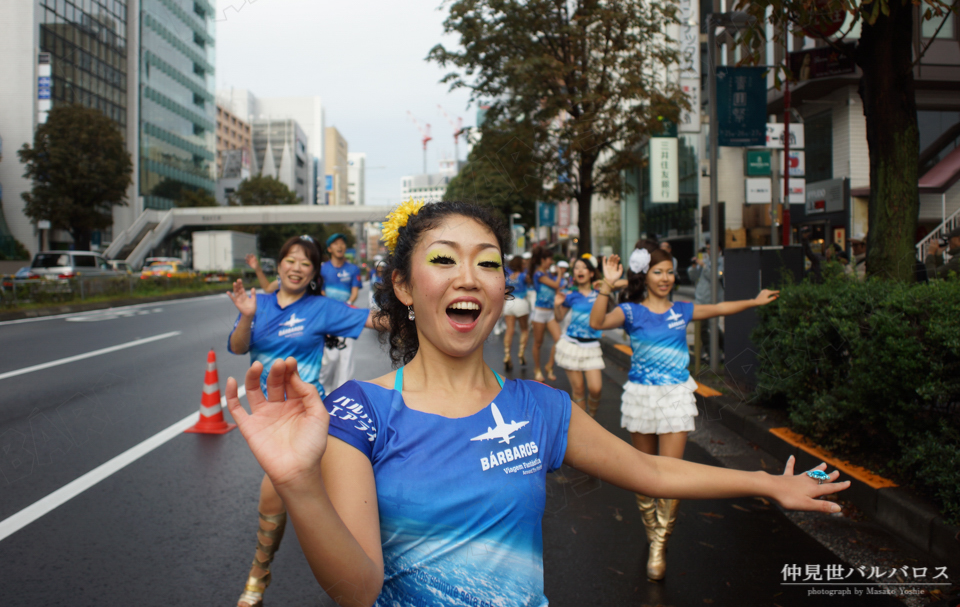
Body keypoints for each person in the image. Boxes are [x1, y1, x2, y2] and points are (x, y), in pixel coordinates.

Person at [224, 200, 849, 607]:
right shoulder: (358, 412)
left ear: (502, 291)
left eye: (488, 263)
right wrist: (299, 484)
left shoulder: (540, 410)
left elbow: (655, 471)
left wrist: (767, 484)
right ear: (405, 287)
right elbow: (360, 591)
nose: (469, 276)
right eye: (443, 260)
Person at [588, 242, 782, 581]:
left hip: (676, 395)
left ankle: (659, 544)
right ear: (644, 275)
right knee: (643, 475)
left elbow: (720, 307)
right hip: (641, 397)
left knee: (672, 475)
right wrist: (607, 284)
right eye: (657, 272)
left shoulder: (683, 309)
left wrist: (753, 301)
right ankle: (652, 532)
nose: (665, 278)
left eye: (669, 272)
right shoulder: (631, 312)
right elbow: (597, 322)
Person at [228, 235, 380, 607]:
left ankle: (259, 575)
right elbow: (236, 346)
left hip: (305, 416)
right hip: (269, 417)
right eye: (290, 260)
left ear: (314, 273)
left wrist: (425, 310)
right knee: (291, 494)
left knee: (276, 490)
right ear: (279, 264)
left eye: (305, 263)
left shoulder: (321, 308)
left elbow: (377, 320)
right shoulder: (257, 303)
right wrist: (246, 317)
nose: (296, 268)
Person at [553, 257, 605, 417]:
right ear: (573, 274)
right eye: (576, 268)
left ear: (590, 273)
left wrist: (605, 284)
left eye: (583, 268)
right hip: (572, 346)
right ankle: (586, 428)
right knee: (579, 390)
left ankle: (592, 417)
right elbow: (559, 318)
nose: (580, 271)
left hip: (592, 347)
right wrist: (556, 305)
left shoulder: (601, 293)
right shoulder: (570, 296)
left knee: (596, 389)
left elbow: (625, 285)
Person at [319, 233, 364, 393]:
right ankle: (323, 393)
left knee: (346, 359)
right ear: (330, 248)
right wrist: (332, 308)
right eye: (336, 243)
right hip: (327, 319)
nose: (340, 246)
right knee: (329, 360)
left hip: (346, 317)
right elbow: (321, 292)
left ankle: (343, 396)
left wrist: (347, 306)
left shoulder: (352, 269)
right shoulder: (322, 269)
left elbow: (354, 292)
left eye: (342, 243)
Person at [529, 245, 565, 381]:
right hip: (539, 313)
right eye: (550, 259)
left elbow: (556, 288)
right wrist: (560, 273)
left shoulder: (547, 274)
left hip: (550, 313)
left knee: (559, 340)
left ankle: (549, 365)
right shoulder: (538, 274)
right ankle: (537, 369)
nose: (552, 262)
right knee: (538, 343)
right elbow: (556, 285)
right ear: (543, 260)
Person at [688, 241, 724, 360]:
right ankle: (711, 353)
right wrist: (694, 267)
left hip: (713, 300)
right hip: (701, 299)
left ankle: (722, 351)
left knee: (713, 326)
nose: (708, 251)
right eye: (707, 249)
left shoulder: (721, 261)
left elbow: (716, 276)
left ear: (718, 248)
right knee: (702, 328)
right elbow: (693, 277)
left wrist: (704, 266)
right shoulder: (706, 262)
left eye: (710, 248)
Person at [502, 255, 531, 371]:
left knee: (509, 330)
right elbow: (531, 281)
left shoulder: (508, 277)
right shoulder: (523, 275)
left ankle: (507, 355)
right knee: (524, 329)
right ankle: (521, 352)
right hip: (521, 303)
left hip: (509, 303)